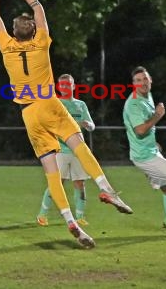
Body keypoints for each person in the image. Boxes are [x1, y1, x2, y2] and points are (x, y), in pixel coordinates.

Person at [0, 0, 132, 249]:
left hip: (28, 113)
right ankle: (106, 189)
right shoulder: (41, 42)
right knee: (79, 146)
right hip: (49, 104)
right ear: (34, 30)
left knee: (51, 171)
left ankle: (69, 221)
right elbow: (39, 11)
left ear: (14, 32)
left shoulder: (6, 45)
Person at [123, 66, 166, 237]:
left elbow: (145, 129)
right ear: (133, 84)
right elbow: (140, 130)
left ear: (150, 80)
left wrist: (154, 142)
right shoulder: (134, 104)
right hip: (144, 156)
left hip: (150, 151)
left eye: (145, 79)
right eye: (138, 80)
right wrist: (158, 115)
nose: (142, 83)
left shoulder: (148, 97)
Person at [36, 74, 95, 227]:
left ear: (73, 86)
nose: (65, 87)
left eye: (68, 84)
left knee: (80, 183)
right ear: (58, 87)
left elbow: (91, 125)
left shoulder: (80, 105)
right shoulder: (55, 104)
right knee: (56, 183)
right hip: (61, 150)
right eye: (62, 85)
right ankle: (42, 214)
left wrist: (88, 124)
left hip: (77, 151)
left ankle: (80, 217)